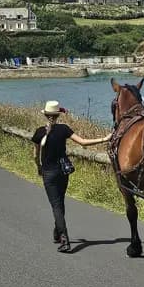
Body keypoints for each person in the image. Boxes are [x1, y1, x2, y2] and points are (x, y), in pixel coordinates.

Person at [32, 100, 110, 252]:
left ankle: (65, 239)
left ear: (46, 115)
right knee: (59, 203)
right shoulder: (64, 129)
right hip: (63, 172)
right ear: (57, 115)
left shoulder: (39, 132)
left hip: (49, 173)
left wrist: (38, 167)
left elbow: (36, 155)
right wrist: (104, 139)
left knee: (56, 205)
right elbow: (83, 143)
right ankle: (57, 232)